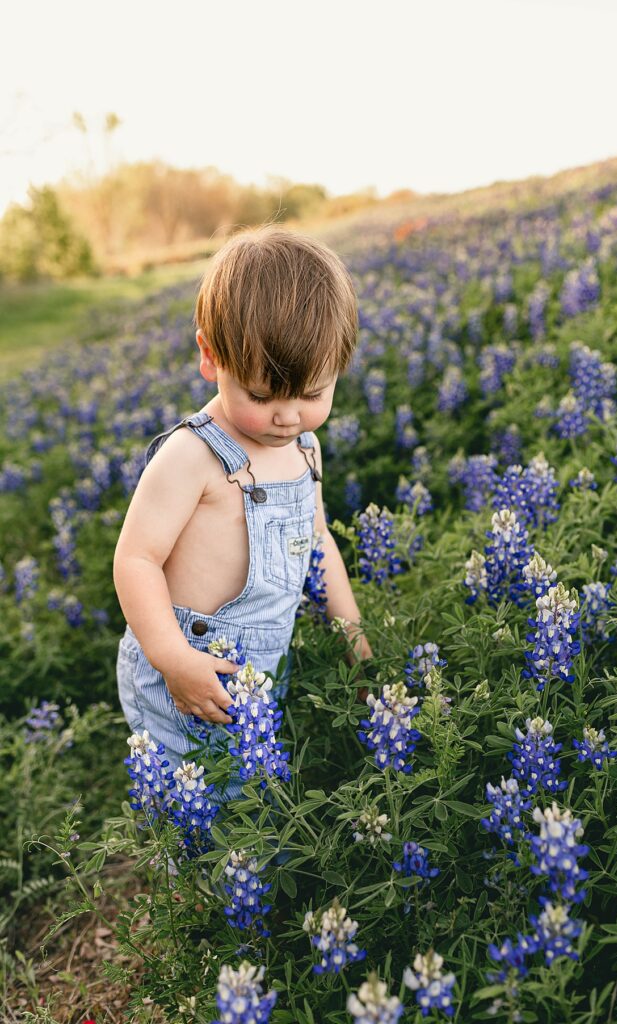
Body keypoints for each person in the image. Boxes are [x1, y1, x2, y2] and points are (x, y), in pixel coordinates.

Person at [113, 224, 374, 804]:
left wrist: (353, 636)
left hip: (260, 665)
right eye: (262, 396)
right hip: (178, 669)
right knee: (196, 799)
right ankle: (194, 886)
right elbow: (136, 559)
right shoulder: (192, 456)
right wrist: (174, 659)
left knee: (252, 788)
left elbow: (317, 541)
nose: (288, 417)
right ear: (211, 356)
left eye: (313, 394)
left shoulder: (306, 449)